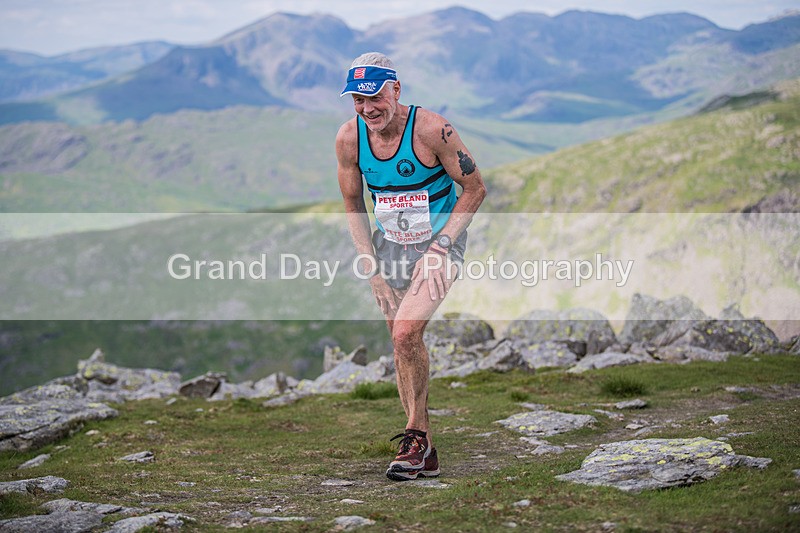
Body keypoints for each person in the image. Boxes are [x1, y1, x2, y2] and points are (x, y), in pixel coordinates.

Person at [335, 52, 486, 481]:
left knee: (405, 332)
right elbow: (352, 204)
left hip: (440, 245)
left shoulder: (433, 130)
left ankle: (414, 439)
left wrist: (441, 246)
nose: (367, 109)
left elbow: (474, 189)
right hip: (388, 248)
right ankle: (423, 447)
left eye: (375, 97)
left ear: (395, 89)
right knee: (402, 344)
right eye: (358, 101)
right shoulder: (349, 139)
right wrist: (372, 268)